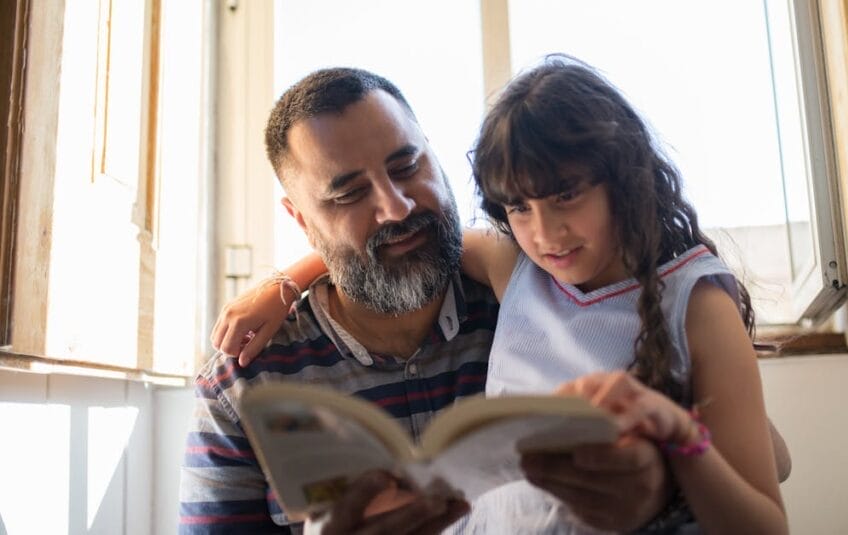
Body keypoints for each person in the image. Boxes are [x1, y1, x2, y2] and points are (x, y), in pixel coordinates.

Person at [214, 56, 790, 533]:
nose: (546, 232)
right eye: (518, 207)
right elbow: (381, 238)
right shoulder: (518, 265)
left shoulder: (685, 297)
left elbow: (769, 480)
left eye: (565, 195)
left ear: (624, 173)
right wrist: (284, 283)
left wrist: (676, 448)